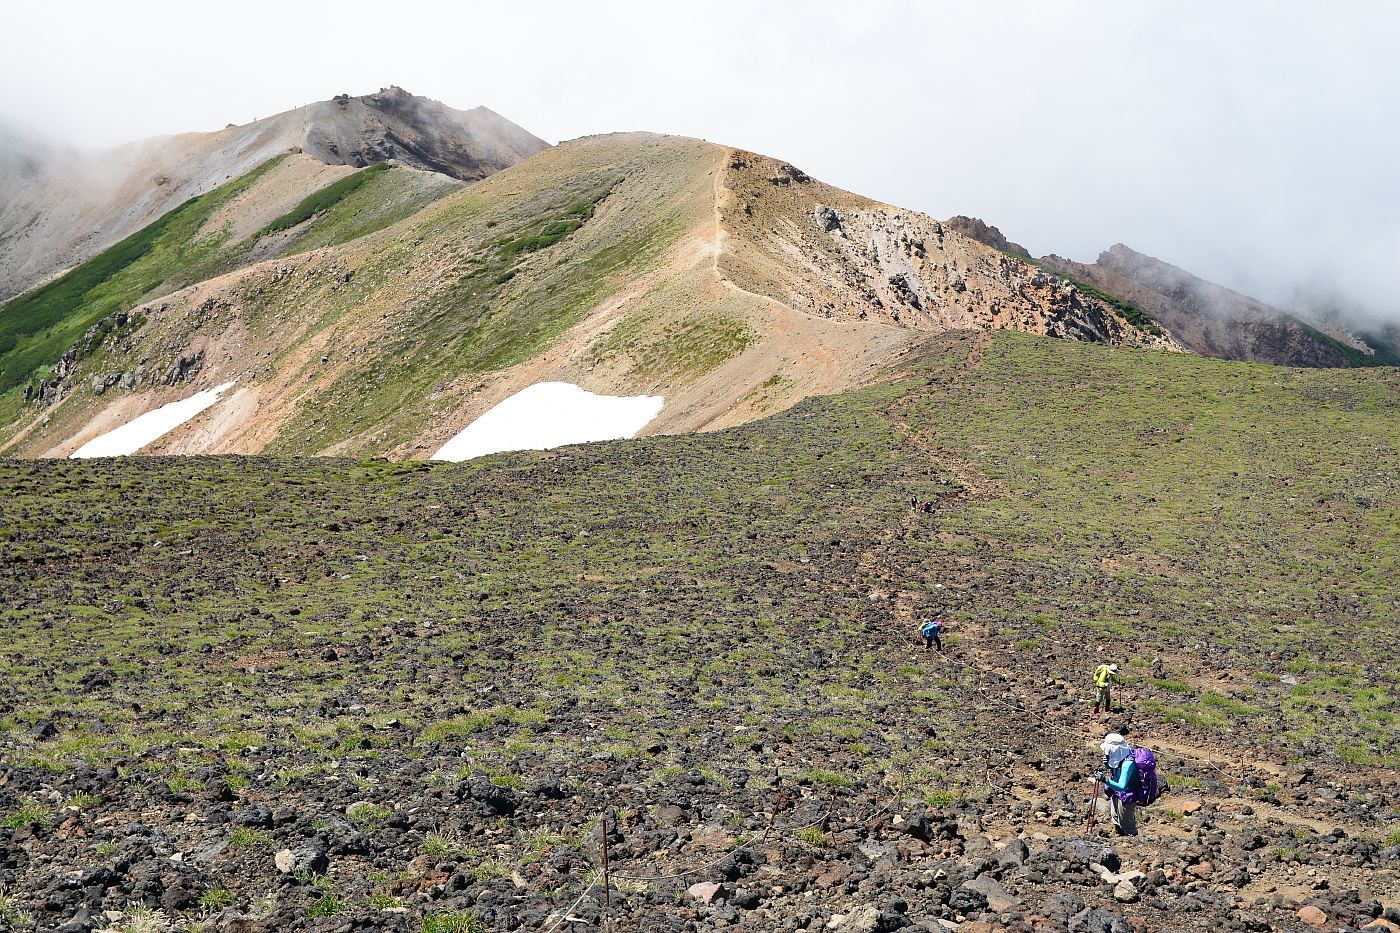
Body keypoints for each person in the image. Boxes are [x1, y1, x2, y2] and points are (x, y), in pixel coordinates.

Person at [1097, 732, 1139, 835]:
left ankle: (1132, 843)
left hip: (1127, 795)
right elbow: (1114, 767)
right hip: (1116, 792)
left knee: (1127, 823)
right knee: (1115, 816)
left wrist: (1105, 780)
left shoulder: (1128, 764)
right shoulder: (1119, 756)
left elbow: (1122, 786)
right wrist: (1106, 764)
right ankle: (1119, 835)